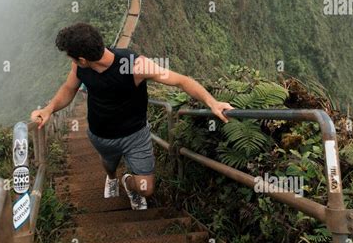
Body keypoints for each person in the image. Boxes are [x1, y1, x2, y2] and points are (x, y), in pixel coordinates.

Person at [31, 22, 234, 211]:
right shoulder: (79, 68)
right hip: (100, 135)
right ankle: (111, 177)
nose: (72, 61)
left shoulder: (134, 65)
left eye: (72, 58)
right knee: (109, 164)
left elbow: (181, 81)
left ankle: (127, 181)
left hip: (135, 136)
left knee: (146, 189)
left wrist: (212, 103)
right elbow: (68, 89)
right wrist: (48, 110)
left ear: (83, 59)